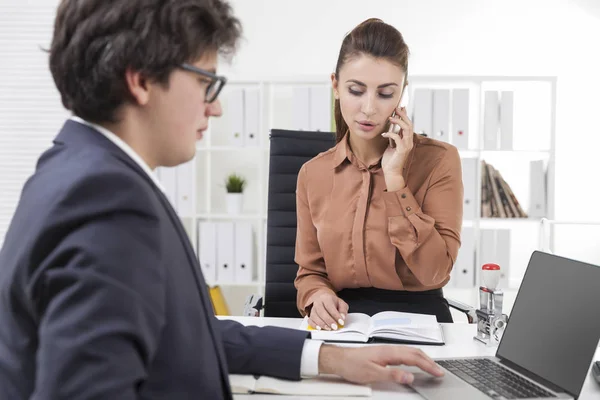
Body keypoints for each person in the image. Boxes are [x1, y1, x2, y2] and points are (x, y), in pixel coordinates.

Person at [0, 2, 445, 399]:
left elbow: (182, 331)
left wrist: (326, 358)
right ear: (140, 82)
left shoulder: (75, 170)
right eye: (206, 83)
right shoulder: (106, 200)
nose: (215, 108)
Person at [295, 18, 463, 330]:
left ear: (402, 95)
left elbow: (435, 272)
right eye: (356, 90)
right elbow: (310, 272)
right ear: (335, 86)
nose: (369, 108)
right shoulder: (312, 174)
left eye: (385, 93)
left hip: (423, 323)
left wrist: (395, 178)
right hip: (345, 323)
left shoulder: (440, 161)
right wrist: (317, 295)